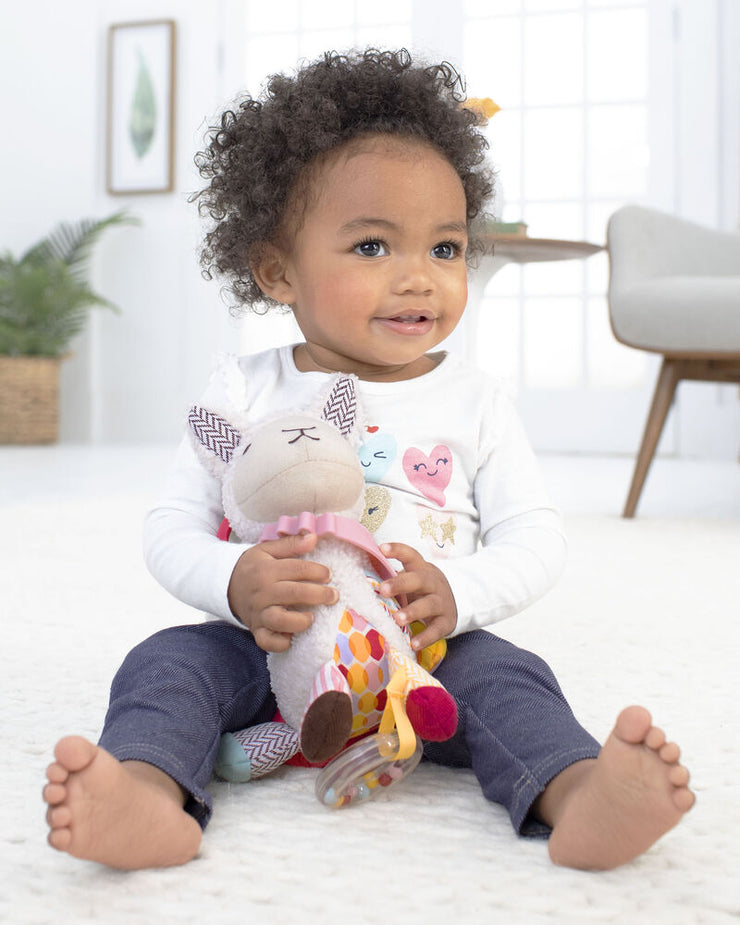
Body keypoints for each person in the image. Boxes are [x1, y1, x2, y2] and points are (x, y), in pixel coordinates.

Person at [42, 48, 694, 872]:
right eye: (374, 247)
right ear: (278, 269)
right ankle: (144, 792)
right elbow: (170, 524)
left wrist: (457, 596)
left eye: (446, 249)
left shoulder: (478, 400)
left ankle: (578, 792)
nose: (419, 278)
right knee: (164, 664)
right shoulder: (242, 389)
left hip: (426, 651)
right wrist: (236, 582)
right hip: (269, 643)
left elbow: (537, 537)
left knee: (513, 681)